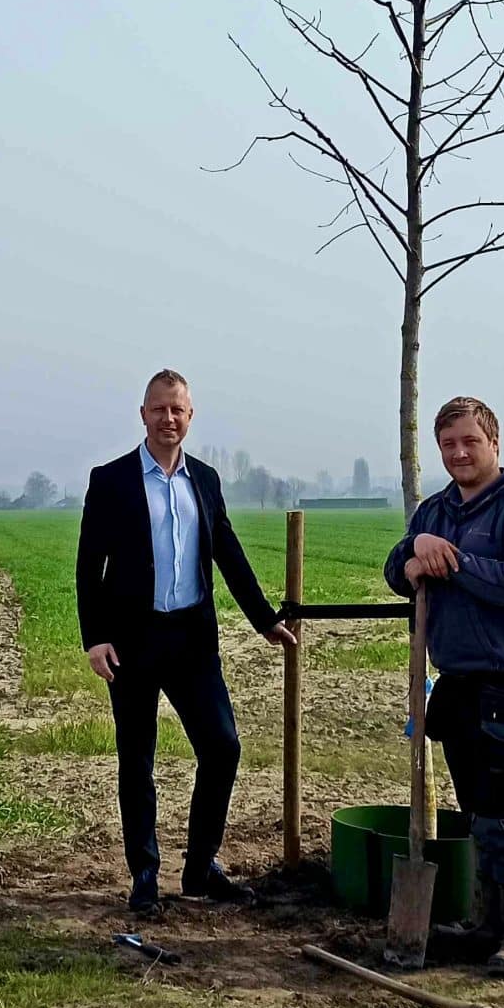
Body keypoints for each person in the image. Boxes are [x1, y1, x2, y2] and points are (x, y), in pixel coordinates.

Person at [76, 370, 299, 913]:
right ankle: (145, 876)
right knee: (138, 759)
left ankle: (200, 868)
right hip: (132, 642)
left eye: (177, 410)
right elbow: (89, 565)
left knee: (223, 747)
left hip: (192, 640)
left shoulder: (205, 479)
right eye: (158, 410)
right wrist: (96, 637)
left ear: (190, 416)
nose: (168, 419)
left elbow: (227, 550)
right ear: (143, 415)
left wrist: (263, 618)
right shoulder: (110, 480)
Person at [383, 398, 504, 978]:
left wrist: (449, 560)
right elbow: (396, 570)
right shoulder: (436, 510)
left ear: (494, 443)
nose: (459, 454)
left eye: (469, 442)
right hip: (457, 683)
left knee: (500, 812)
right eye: (448, 445)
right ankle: (490, 920)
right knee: (481, 809)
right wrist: (412, 553)